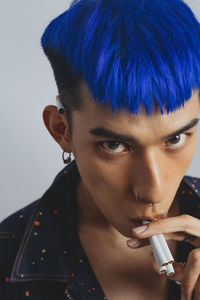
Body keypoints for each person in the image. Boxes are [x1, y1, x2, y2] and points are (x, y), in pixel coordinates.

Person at [1, 0, 200, 299]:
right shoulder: (7, 258)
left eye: (175, 139)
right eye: (114, 145)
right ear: (62, 130)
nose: (152, 191)